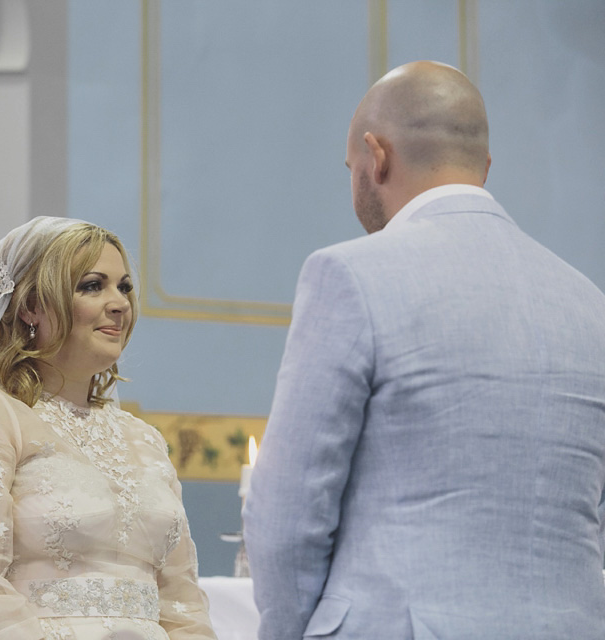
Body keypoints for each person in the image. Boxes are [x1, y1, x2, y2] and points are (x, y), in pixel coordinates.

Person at [243, 60, 605, 639]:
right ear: (483, 167)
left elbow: (286, 519)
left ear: (375, 155)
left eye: (350, 167)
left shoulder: (351, 274)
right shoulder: (589, 304)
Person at [0, 216, 217, 640]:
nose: (119, 303)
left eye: (124, 286)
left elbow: (182, 603)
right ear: (31, 306)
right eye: (93, 285)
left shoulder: (144, 439)